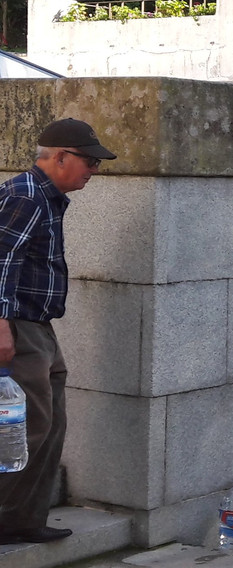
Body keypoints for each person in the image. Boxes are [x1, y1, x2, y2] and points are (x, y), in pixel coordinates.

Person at [0, 118, 116, 544]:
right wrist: (1, 326)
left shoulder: (46, 198)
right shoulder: (26, 195)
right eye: (89, 160)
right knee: (25, 426)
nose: (94, 170)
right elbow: (1, 259)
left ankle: (22, 520)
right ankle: (9, 520)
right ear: (60, 157)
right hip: (18, 326)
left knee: (49, 426)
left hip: (38, 326)